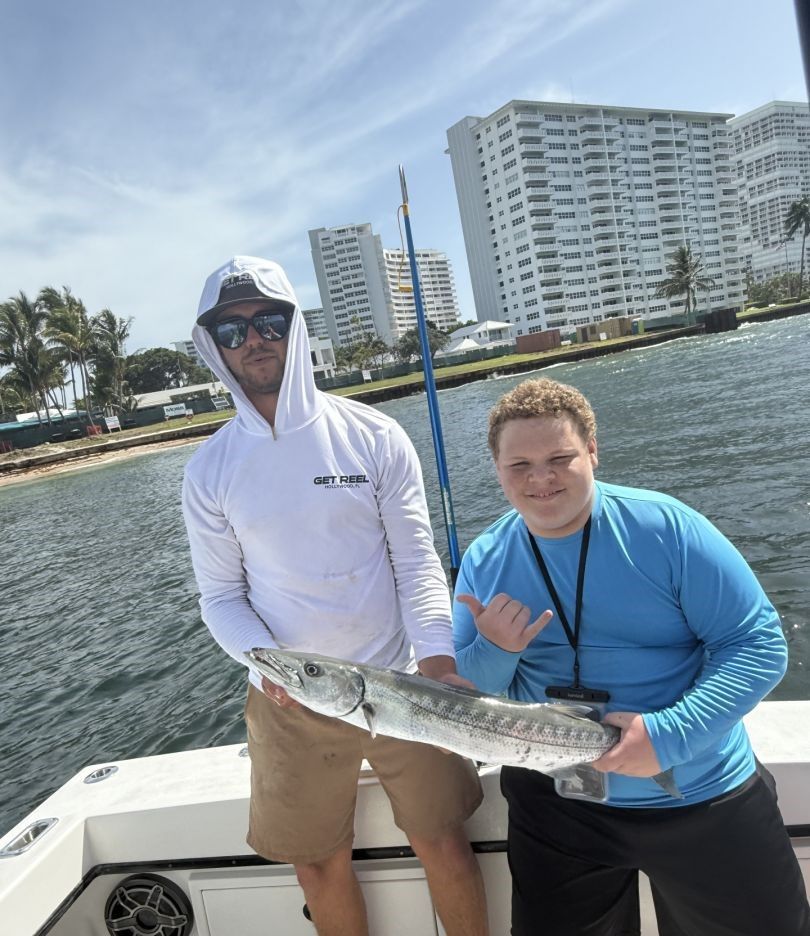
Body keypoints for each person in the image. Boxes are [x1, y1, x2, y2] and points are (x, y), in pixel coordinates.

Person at [182, 256, 488, 936]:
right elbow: (219, 597)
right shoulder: (208, 471)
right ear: (213, 347)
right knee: (317, 865)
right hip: (289, 697)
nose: (252, 340)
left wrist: (437, 657)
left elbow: (415, 559)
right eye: (231, 331)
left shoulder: (373, 434)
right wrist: (269, 666)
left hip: (401, 678)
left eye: (267, 321)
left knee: (442, 841)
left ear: (293, 326)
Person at [453, 376, 810, 936]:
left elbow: (758, 643)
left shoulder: (666, 528)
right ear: (496, 469)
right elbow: (464, 694)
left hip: (700, 792)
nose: (540, 478)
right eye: (518, 465)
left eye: (560, 458)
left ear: (593, 452)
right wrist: (496, 651)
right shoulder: (484, 560)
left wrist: (669, 735)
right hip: (555, 802)